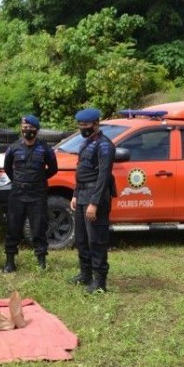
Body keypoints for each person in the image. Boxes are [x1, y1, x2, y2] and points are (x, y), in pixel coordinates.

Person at [2, 115, 58, 273]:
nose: (27, 131)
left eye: (31, 129)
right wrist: (18, 180)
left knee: (39, 227)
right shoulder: (13, 147)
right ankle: (10, 262)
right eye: (24, 128)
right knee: (13, 227)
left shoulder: (45, 148)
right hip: (18, 192)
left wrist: (39, 179)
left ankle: (41, 262)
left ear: (37, 130)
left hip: (37, 192)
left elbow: (53, 168)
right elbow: (8, 168)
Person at [69, 108, 116, 293]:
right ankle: (85, 274)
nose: (83, 128)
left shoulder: (105, 146)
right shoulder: (86, 143)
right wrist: (75, 194)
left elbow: (103, 177)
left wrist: (94, 203)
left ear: (96, 124)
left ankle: (100, 282)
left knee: (96, 240)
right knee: (81, 239)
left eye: (86, 125)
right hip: (81, 195)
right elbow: (82, 172)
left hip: (95, 197)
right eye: (80, 125)